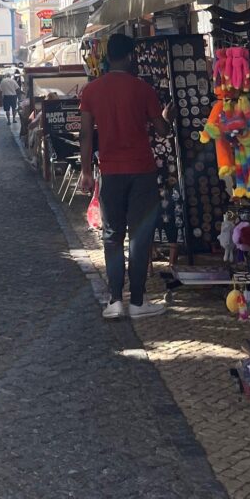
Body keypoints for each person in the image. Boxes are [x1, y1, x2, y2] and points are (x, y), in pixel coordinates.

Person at [77, 33, 174, 321]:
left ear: (108, 56)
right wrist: (167, 115)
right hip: (142, 170)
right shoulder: (143, 89)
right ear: (131, 57)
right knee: (140, 235)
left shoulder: (91, 91)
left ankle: (115, 300)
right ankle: (139, 301)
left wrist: (85, 171)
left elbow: (85, 134)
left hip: (110, 171)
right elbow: (162, 130)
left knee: (112, 235)